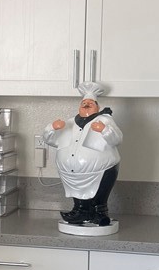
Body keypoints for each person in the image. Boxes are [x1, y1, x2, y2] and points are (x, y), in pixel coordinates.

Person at [43, 83, 122, 227]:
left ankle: (100, 214)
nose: (86, 105)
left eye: (90, 103)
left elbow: (117, 138)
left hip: (102, 170)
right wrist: (52, 128)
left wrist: (104, 129)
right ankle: (80, 211)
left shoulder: (105, 120)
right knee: (78, 198)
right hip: (71, 175)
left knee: (99, 196)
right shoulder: (69, 122)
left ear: (97, 107)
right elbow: (50, 140)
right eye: (84, 103)